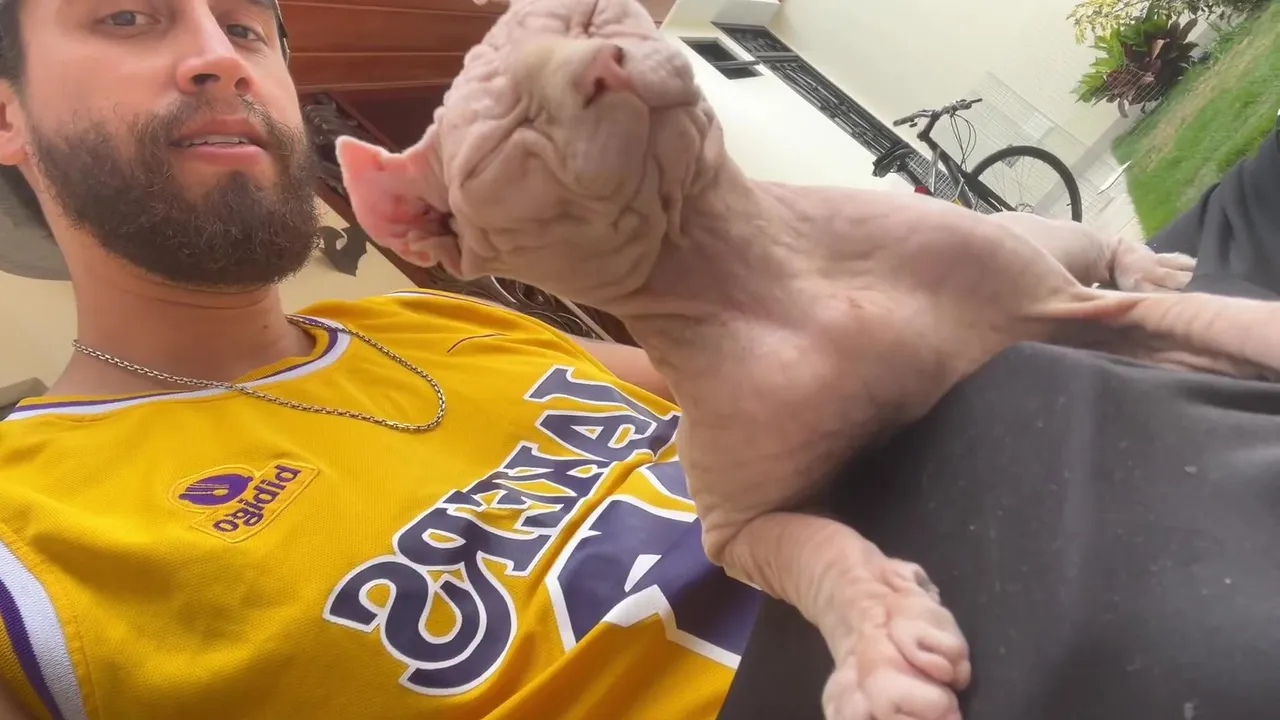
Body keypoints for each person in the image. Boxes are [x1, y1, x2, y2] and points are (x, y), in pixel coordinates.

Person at [0, 0, 761, 718]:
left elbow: (762, 386)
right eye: (127, 16)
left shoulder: (434, 319)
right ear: (8, 114)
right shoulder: (24, 543)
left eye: (246, 28)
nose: (220, 58)